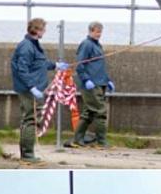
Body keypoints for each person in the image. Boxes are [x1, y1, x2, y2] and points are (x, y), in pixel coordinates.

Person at [10, 18, 68, 166]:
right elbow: (22, 70)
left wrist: (55, 65)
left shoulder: (32, 45)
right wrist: (32, 87)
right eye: (43, 29)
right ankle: (28, 155)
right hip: (29, 90)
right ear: (37, 30)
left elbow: (39, 64)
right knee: (31, 120)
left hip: (34, 88)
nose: (45, 31)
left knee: (30, 120)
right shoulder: (26, 47)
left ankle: (27, 153)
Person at [73, 21, 116, 150]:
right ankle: (101, 142)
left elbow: (100, 66)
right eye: (97, 32)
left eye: (100, 32)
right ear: (91, 31)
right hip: (91, 84)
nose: (99, 34)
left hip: (100, 82)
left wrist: (107, 80)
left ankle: (77, 139)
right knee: (100, 111)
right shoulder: (86, 45)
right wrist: (86, 80)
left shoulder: (98, 46)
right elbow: (80, 65)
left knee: (89, 112)